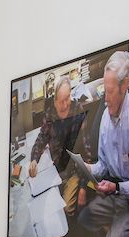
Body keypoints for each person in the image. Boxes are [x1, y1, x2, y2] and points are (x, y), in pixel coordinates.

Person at [78, 51, 129, 237]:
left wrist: (117, 187)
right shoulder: (106, 116)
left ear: (124, 85)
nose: (105, 100)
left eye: (110, 92)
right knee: (83, 219)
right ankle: (112, 229)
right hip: (115, 195)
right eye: (105, 91)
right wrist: (88, 168)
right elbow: (103, 165)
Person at [28, 75, 88, 216]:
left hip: (73, 171)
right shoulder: (50, 113)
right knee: (42, 206)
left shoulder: (78, 111)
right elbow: (42, 137)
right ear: (54, 101)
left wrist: (84, 187)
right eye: (61, 101)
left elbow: (86, 152)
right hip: (55, 168)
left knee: (66, 210)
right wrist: (34, 159)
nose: (65, 104)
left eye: (68, 98)